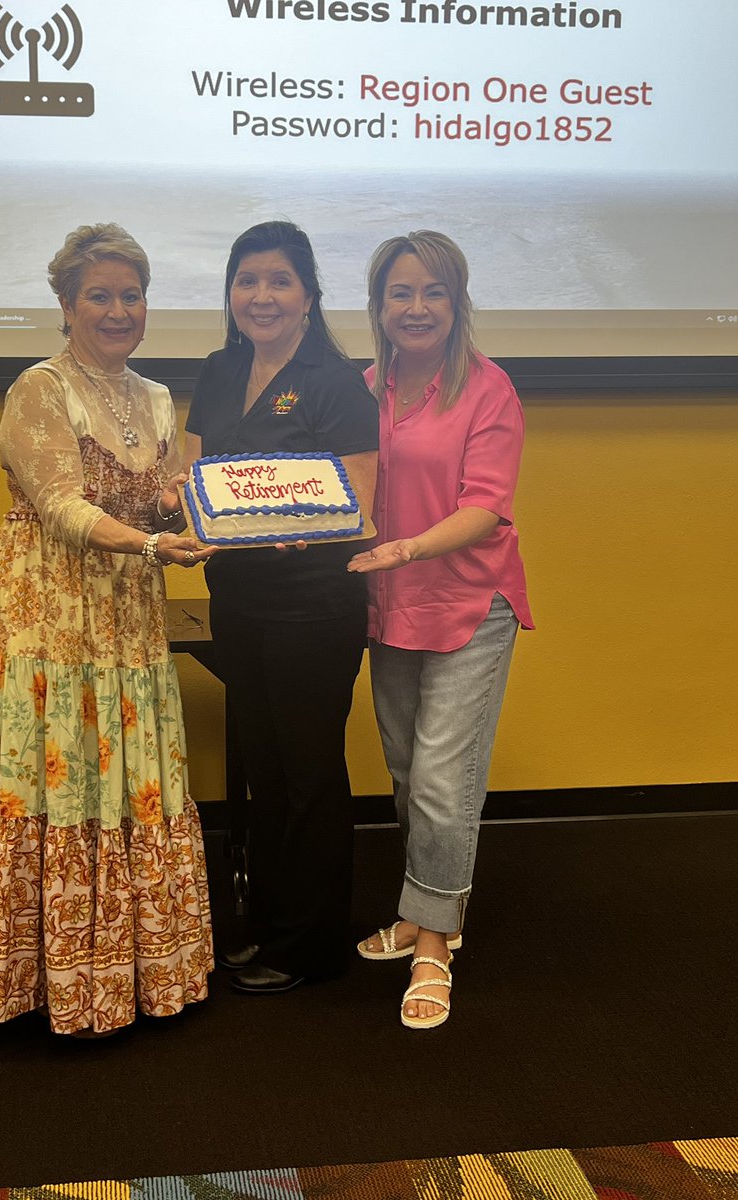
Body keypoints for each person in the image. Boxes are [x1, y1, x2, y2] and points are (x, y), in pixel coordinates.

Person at [0, 223, 216, 1036]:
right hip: (45, 613)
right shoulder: (41, 388)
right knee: (52, 776)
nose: (119, 310)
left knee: (127, 780)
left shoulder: (159, 396)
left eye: (133, 295)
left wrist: (197, 511)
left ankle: (128, 968)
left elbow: (158, 494)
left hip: (125, 612)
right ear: (66, 304)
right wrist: (156, 542)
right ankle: (38, 973)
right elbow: (61, 506)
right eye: (101, 295)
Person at [184, 220, 379, 994]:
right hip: (236, 599)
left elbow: (358, 503)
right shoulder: (217, 369)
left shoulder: (336, 381)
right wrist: (180, 510)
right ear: (230, 292)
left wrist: (307, 525)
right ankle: (265, 923)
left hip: (313, 603)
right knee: (262, 768)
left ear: (309, 296)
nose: (260, 296)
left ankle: (310, 944)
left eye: (278, 281)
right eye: (246, 280)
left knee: (308, 773)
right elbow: (193, 475)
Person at [348, 230, 534, 1030]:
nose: (416, 307)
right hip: (389, 606)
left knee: (441, 783)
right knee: (404, 770)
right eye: (401, 293)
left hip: (470, 603)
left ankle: (434, 942)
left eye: (433, 293)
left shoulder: (488, 390)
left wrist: (410, 547)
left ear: (457, 303)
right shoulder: (362, 390)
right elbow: (337, 491)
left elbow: (486, 505)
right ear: (380, 306)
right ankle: (426, 909)